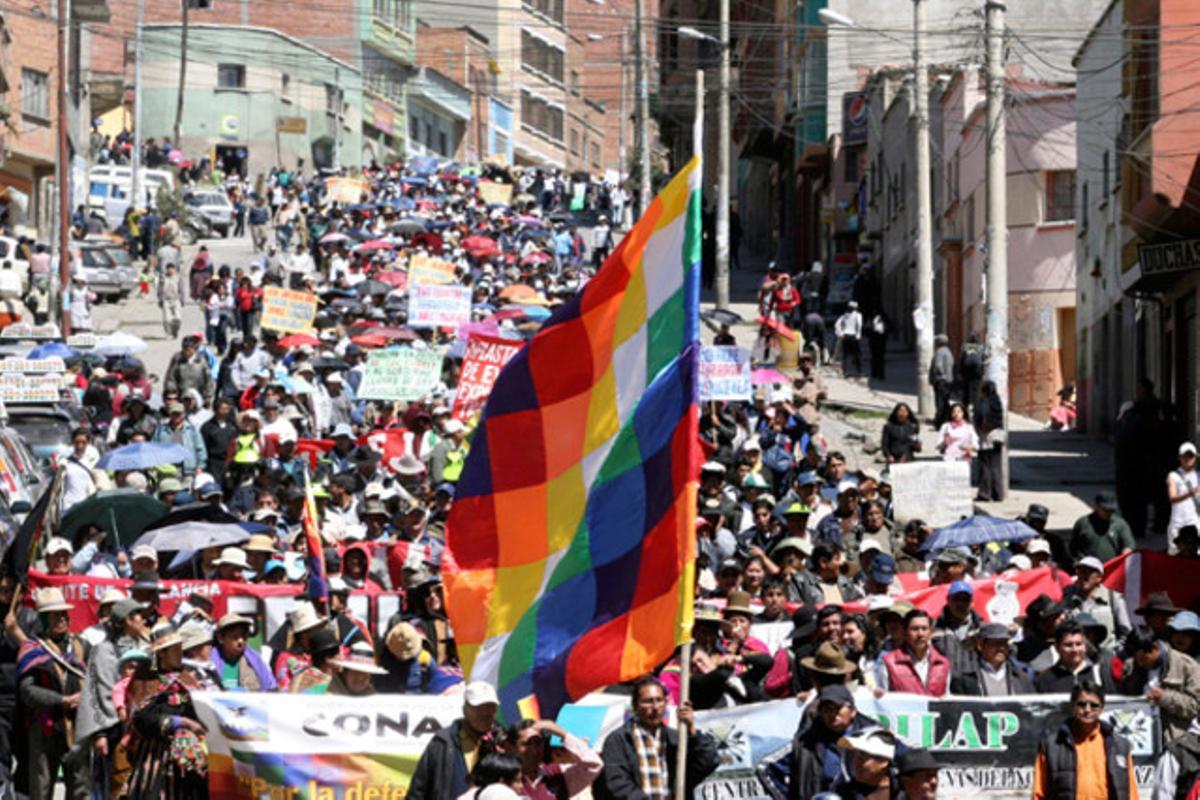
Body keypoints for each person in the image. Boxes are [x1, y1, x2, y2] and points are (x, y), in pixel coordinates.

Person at [593, 676, 719, 800]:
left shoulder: (675, 739)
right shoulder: (619, 740)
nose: (655, 707)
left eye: (659, 700)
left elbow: (708, 762)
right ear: (635, 706)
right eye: (648, 701)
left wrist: (692, 729)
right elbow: (617, 783)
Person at [18, 587, 90, 800]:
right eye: (55, 615)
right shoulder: (32, 650)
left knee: (80, 788)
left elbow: (95, 679)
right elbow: (27, 691)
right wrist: (61, 700)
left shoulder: (81, 646)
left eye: (63, 614)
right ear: (43, 618)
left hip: (78, 728)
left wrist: (85, 697)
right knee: (42, 787)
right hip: (45, 728)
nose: (62, 619)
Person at [1032, 681, 1139, 800]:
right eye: (1082, 704)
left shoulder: (1119, 746)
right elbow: (1039, 793)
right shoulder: (1052, 746)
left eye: (1094, 705)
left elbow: (1131, 793)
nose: (1087, 710)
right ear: (1073, 706)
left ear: (1102, 708)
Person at [408, 681, 501, 800]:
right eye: (479, 707)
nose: (485, 713)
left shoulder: (501, 742)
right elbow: (418, 790)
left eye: (491, 707)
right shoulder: (442, 743)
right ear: (465, 710)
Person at [786, 683, 878, 798]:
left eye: (838, 708)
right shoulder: (806, 742)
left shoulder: (874, 738)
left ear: (853, 711)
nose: (833, 714)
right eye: (827, 709)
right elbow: (771, 770)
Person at [1120, 628, 1200, 743]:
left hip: (1176, 742)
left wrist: (1164, 697)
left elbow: (1195, 707)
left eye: (1143, 659)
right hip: (1141, 737)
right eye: (1137, 660)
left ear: (1155, 647)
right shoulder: (1131, 667)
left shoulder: (1187, 667)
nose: (1140, 664)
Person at [506, 718, 603, 800]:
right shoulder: (505, 780)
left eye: (538, 743)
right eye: (526, 744)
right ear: (512, 747)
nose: (534, 751)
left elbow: (594, 764)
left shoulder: (558, 773)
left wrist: (562, 733)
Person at [1062, 556, 1131, 651]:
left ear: (1099, 577)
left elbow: (1126, 633)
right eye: (1080, 572)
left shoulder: (1113, 598)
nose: (1083, 577)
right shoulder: (1068, 599)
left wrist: (1115, 654)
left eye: (1088, 573)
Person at [1034, 620, 1117, 695]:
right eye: (1068, 645)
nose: (1074, 650)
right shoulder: (1045, 679)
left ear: (1085, 646)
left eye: (1078, 644)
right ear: (1057, 648)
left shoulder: (1099, 674)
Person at [878, 609, 950, 696]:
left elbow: (946, 698)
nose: (920, 634)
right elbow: (883, 700)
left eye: (924, 628)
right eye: (914, 629)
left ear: (931, 632)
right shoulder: (889, 663)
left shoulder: (942, 663)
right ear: (904, 632)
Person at [209, 612, 276, 691]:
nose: (240, 641)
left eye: (244, 636)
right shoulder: (210, 661)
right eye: (235, 637)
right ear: (221, 638)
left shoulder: (255, 660)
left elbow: (270, 686)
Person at [833, 727, 899, 800]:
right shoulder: (841, 792)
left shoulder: (905, 790)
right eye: (854, 755)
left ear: (883, 761)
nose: (856, 762)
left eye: (862, 757)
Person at [1070, 493, 1136, 563]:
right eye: (1105, 509)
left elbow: (1129, 544)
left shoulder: (1120, 524)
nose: (1109, 513)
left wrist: (1126, 552)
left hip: (1112, 566)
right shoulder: (1083, 523)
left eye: (1112, 510)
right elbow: (1074, 547)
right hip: (1089, 568)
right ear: (1096, 506)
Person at [973, 380, 1005, 502]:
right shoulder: (997, 400)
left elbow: (983, 414)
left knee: (985, 465)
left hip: (987, 436)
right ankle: (998, 493)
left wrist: (983, 426)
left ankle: (985, 493)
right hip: (998, 436)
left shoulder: (984, 401)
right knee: (995, 465)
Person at [1168, 442, 1200, 553]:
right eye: (1185, 456)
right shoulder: (1173, 475)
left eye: (1191, 456)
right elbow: (1172, 497)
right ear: (1180, 458)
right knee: (1175, 556)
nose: (1188, 459)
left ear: (1195, 457)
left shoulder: (1198, 476)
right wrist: (1189, 494)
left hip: (1195, 522)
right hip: (1178, 524)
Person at [929, 334, 955, 427]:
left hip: (941, 381)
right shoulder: (948, 351)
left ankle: (939, 422)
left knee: (940, 402)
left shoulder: (939, 352)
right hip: (949, 381)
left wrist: (941, 376)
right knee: (945, 401)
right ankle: (946, 419)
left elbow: (938, 366)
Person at [834, 301, 863, 377]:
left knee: (845, 355)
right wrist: (858, 335)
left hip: (845, 336)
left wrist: (840, 334)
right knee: (856, 355)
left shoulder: (844, 315)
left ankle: (845, 371)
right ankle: (859, 371)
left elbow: (837, 324)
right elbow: (859, 325)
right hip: (854, 336)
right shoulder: (858, 315)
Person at [158, 261, 185, 338]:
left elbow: (181, 289)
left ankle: (175, 331)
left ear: (174, 269)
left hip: (176, 299)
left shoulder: (178, 278)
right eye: (168, 269)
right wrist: (160, 300)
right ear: (166, 270)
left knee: (178, 318)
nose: (170, 271)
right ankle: (168, 333)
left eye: (172, 269)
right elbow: (159, 290)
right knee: (167, 319)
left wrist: (182, 299)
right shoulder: (163, 278)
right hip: (166, 300)